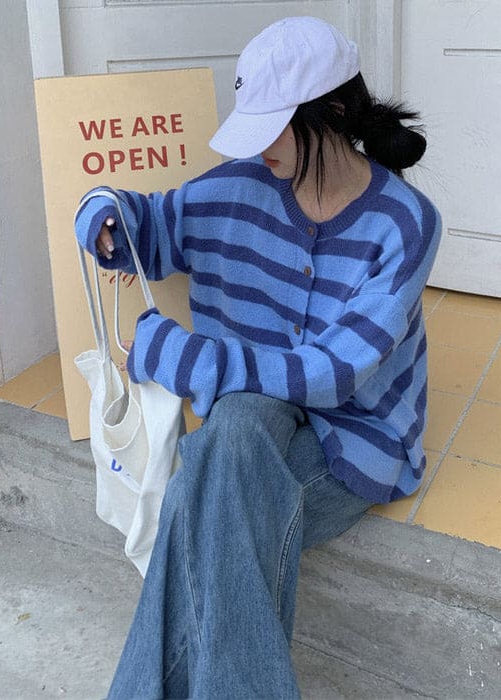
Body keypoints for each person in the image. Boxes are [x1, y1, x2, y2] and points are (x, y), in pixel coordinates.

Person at [75, 16, 441, 699]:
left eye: (271, 124)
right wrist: (100, 216)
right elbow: (143, 225)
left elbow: (334, 373)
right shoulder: (235, 188)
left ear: (331, 111)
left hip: (355, 440)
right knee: (238, 429)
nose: (258, 147)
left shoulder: (405, 223)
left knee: (202, 488)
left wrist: (184, 358)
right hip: (253, 418)